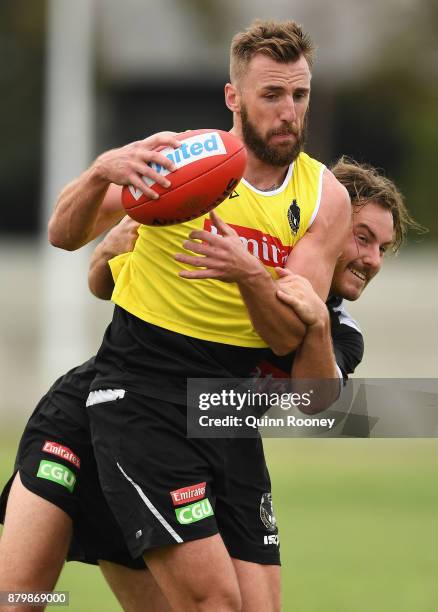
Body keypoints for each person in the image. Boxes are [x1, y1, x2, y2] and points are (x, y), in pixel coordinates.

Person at [0, 157, 420, 612]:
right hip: (91, 418)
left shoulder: (336, 326)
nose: (372, 260)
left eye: (384, 247)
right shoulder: (235, 261)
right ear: (330, 226)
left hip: (183, 447)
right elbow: (103, 279)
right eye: (362, 239)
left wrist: (316, 325)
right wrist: (107, 249)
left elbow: (313, 398)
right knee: (22, 598)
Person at [42, 18, 355, 611]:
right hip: (145, 395)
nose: (289, 111)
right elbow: (64, 234)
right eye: (271, 95)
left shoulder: (324, 198)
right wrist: (102, 170)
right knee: (215, 603)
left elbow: (291, 336)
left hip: (228, 409)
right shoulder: (183, 161)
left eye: (300, 95)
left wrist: (246, 276)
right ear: (233, 98)